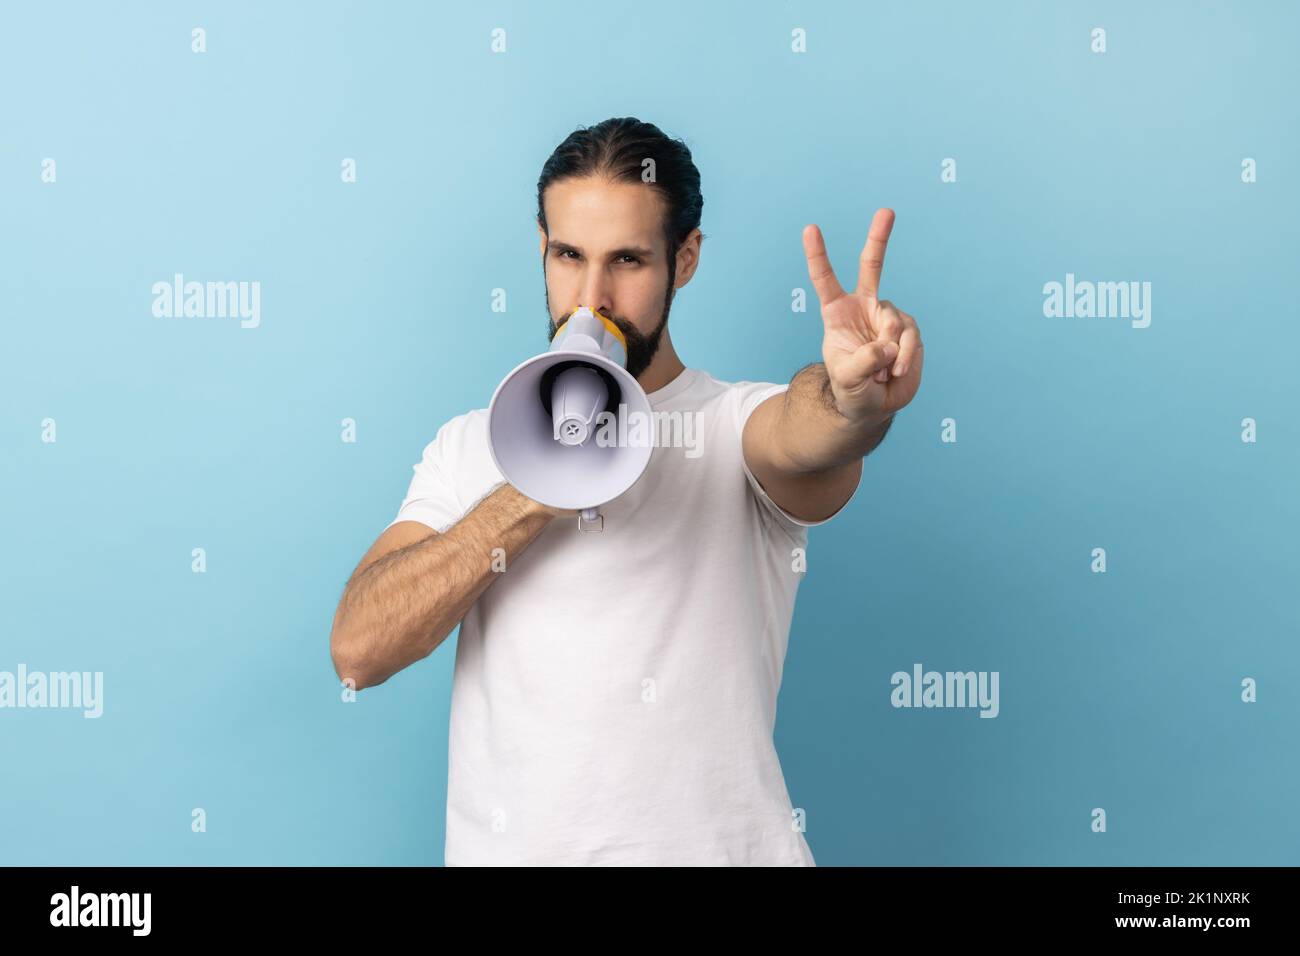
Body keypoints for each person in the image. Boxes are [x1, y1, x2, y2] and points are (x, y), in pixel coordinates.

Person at [329, 117, 925, 865]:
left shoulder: (731, 426)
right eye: (568, 255)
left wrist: (851, 398)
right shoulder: (470, 447)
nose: (591, 296)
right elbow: (358, 650)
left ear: (686, 258)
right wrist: (534, 485)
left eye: (629, 261)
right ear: (540, 246)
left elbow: (810, 432)